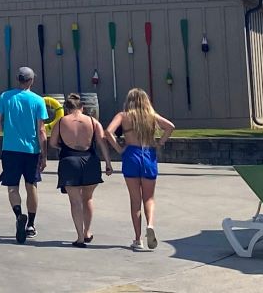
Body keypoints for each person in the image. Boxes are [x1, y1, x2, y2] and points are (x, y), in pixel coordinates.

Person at [106, 88, 175, 251]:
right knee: (149, 198)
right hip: (148, 154)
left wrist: (119, 149)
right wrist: (160, 142)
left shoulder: (123, 116)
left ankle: (138, 239)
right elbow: (170, 126)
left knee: (135, 200)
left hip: (131, 154)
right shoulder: (150, 116)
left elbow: (108, 132)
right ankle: (150, 224)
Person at [50, 94, 114, 247]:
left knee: (75, 201)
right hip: (90, 161)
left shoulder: (60, 122)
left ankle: (79, 237)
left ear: (66, 108)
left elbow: (52, 143)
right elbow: (102, 143)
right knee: (88, 198)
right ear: (82, 108)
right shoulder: (92, 121)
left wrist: (63, 147)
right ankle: (87, 232)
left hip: (69, 161)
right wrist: (108, 163)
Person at [0, 66, 48, 244]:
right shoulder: (38, 101)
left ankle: (18, 214)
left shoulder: (5, 97)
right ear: (32, 80)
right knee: (31, 186)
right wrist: (44, 154)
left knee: (12, 186)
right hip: (31, 150)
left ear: (18, 79)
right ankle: (31, 224)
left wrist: (7, 133)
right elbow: (41, 130)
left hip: (10, 149)